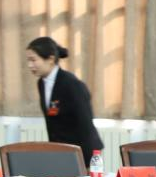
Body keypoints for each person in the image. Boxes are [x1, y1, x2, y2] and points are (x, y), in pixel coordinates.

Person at [26, 36, 103, 165]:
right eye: (28, 60)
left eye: (33, 60)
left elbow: (86, 125)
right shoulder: (41, 83)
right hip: (60, 152)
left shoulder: (72, 84)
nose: (30, 65)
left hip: (82, 153)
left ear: (50, 59)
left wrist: (89, 164)